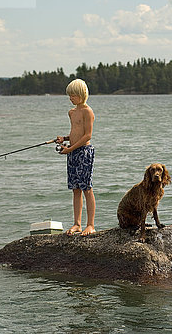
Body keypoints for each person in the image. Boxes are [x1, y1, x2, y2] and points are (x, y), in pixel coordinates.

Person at [56, 79, 96, 236]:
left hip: (84, 152)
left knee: (87, 188)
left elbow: (87, 135)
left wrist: (70, 149)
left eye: (73, 95)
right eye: (69, 95)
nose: (70, 98)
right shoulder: (72, 112)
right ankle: (77, 224)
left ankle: (90, 224)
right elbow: (75, 132)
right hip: (72, 152)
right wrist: (64, 139)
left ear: (81, 94)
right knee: (76, 189)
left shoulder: (88, 111)